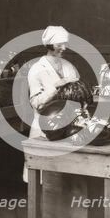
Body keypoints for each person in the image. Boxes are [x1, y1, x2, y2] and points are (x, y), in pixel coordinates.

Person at [23, 25, 79, 184]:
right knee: (41, 178)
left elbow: (76, 96)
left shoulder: (69, 67)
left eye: (65, 43)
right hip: (44, 130)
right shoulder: (37, 69)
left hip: (68, 128)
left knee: (63, 181)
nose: (64, 48)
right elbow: (36, 103)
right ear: (49, 45)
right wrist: (56, 87)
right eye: (59, 44)